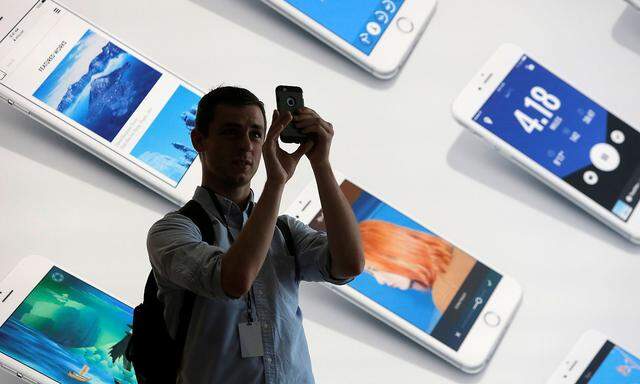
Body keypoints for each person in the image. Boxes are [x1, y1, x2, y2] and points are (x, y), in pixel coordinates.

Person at [147, 86, 364, 384]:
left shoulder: (284, 230)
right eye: (230, 132)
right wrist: (276, 183)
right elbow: (234, 280)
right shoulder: (173, 231)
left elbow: (350, 264)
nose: (246, 145)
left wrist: (321, 164)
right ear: (199, 140)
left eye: (256, 134)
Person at [358, 220, 475, 313]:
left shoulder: (443, 295)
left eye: (374, 269)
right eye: (372, 274)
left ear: (394, 252)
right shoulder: (462, 246)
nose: (380, 281)